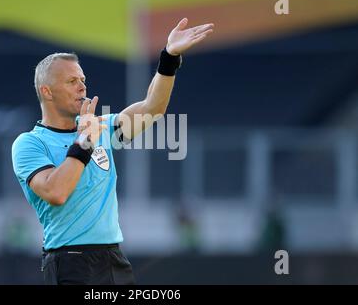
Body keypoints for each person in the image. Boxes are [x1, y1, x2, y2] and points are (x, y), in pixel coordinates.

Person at [11, 18, 214, 285]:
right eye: (72, 81)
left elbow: (152, 108)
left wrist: (169, 57)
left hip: (114, 259)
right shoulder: (29, 143)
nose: (82, 86)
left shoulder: (101, 127)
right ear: (47, 92)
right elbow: (56, 192)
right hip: (70, 262)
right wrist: (84, 141)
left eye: (82, 79)